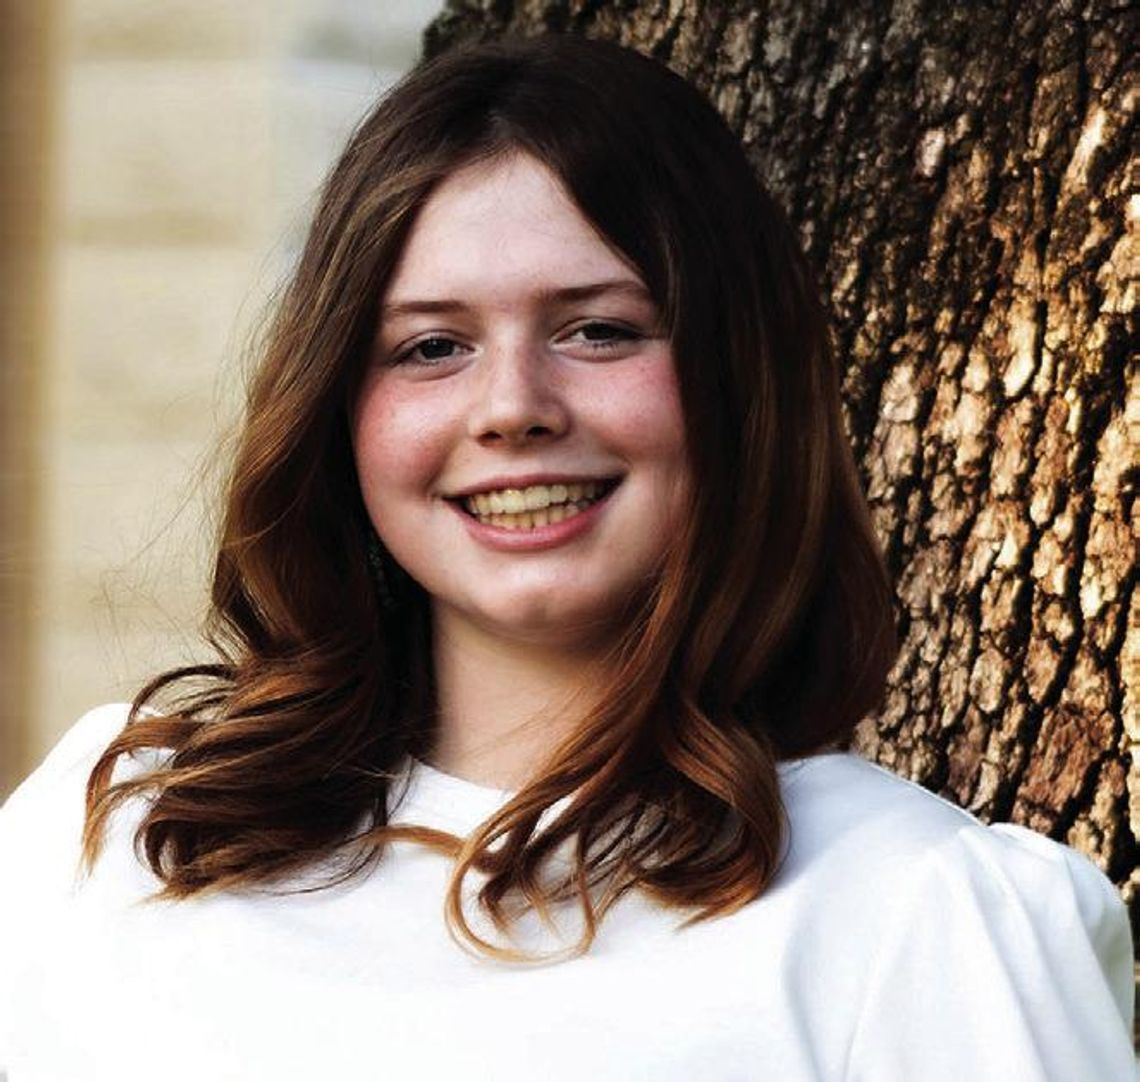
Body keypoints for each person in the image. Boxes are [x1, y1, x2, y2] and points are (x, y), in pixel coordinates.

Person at [0, 34, 1133, 1082]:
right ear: (339, 409)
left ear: (739, 383)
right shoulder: (113, 832)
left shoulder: (920, 916)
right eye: (430, 346)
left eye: (599, 328)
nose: (512, 408)